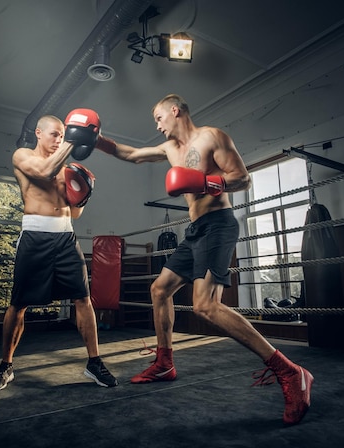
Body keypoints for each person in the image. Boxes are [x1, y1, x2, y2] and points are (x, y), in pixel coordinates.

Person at [92, 94, 313, 425]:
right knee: (159, 289)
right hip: (196, 230)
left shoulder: (212, 137)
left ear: (175, 111)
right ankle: (165, 362)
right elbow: (133, 154)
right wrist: (97, 141)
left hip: (219, 225)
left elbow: (242, 178)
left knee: (205, 306)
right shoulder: (169, 149)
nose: (156, 123)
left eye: (158, 116)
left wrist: (206, 181)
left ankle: (291, 372)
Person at [0, 113, 118, 391]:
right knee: (19, 303)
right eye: (55, 134)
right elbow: (44, 171)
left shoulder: (67, 168)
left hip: (66, 236)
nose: (59, 139)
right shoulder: (23, 156)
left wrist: (84, 193)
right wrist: (75, 136)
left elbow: (76, 213)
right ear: (38, 133)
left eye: (63, 134)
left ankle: (94, 362)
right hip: (35, 235)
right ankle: (5, 365)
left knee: (83, 300)